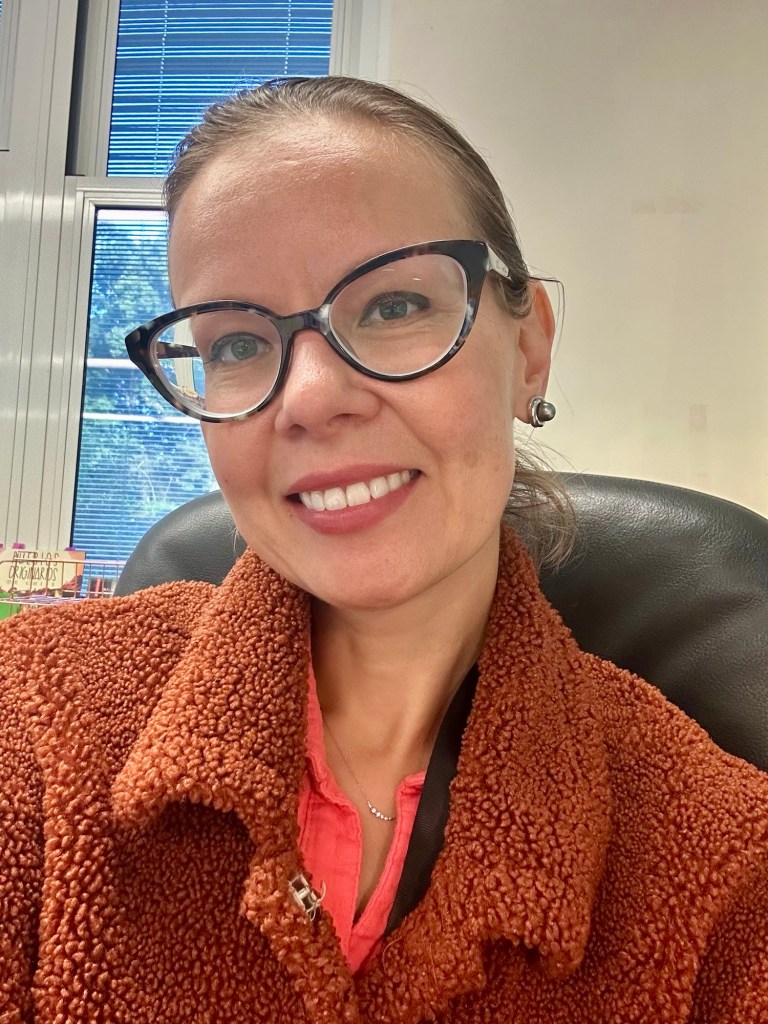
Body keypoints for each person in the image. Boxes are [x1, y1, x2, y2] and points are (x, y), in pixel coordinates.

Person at [1, 76, 767, 1024]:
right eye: (236, 343)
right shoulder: (34, 716)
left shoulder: (720, 863)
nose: (310, 398)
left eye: (395, 305)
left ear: (529, 347)